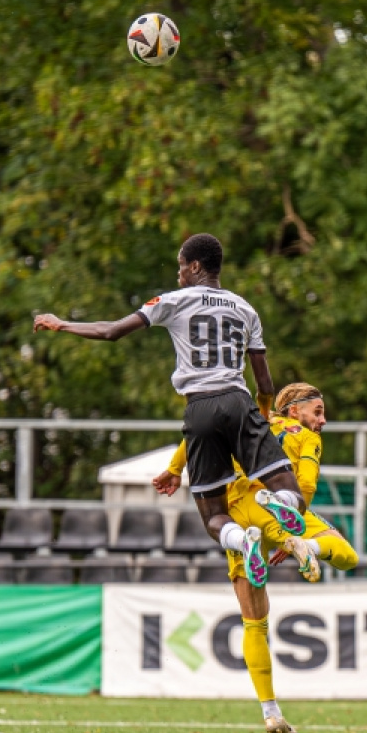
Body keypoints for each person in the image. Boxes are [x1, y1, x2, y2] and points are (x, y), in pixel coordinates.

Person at [33, 233, 309, 565]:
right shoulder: (245, 308)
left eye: (181, 266)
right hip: (239, 403)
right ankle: (279, 503)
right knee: (290, 490)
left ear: (195, 266)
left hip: (200, 409)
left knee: (213, 517)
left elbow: (111, 331)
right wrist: (262, 412)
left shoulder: (173, 301)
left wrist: (63, 324)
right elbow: (265, 383)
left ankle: (241, 541)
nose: (178, 274)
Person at [153, 382, 359, 733]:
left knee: (254, 621)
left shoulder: (252, 420)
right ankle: (307, 544)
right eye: (318, 412)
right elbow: (306, 483)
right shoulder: (304, 435)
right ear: (294, 411)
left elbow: (195, 437)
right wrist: (292, 524)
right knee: (345, 553)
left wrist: (173, 470)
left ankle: (270, 711)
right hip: (276, 508)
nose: (322, 421)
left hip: (235, 512)